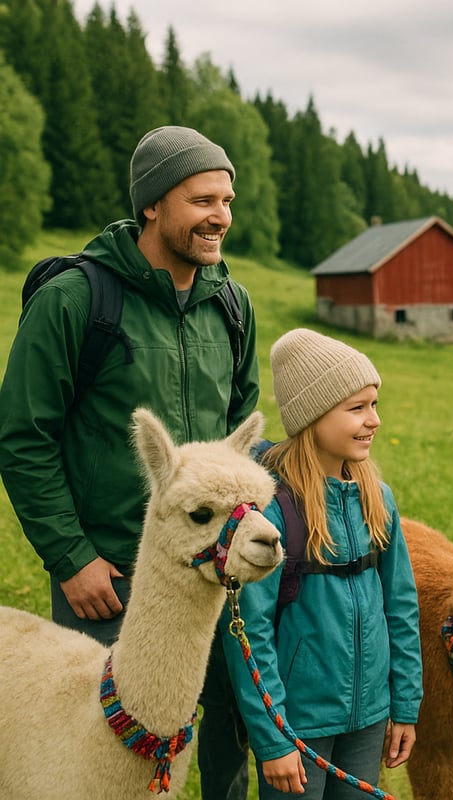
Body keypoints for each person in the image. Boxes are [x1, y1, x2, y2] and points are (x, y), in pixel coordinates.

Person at [0, 125, 260, 799]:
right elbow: (24, 436)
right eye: (202, 199)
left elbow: (240, 432)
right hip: (110, 578)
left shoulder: (231, 306)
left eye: (227, 200)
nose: (220, 216)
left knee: (230, 746)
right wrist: (70, 556)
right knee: (106, 762)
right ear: (152, 204)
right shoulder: (77, 300)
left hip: (218, 571)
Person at [220, 327, 422, 798]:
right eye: (356, 408)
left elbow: (402, 607)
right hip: (299, 724)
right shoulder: (271, 511)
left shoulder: (379, 498)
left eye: (374, 404)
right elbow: (248, 631)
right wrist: (273, 740)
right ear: (311, 417)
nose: (373, 420)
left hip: (370, 718)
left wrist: (405, 705)